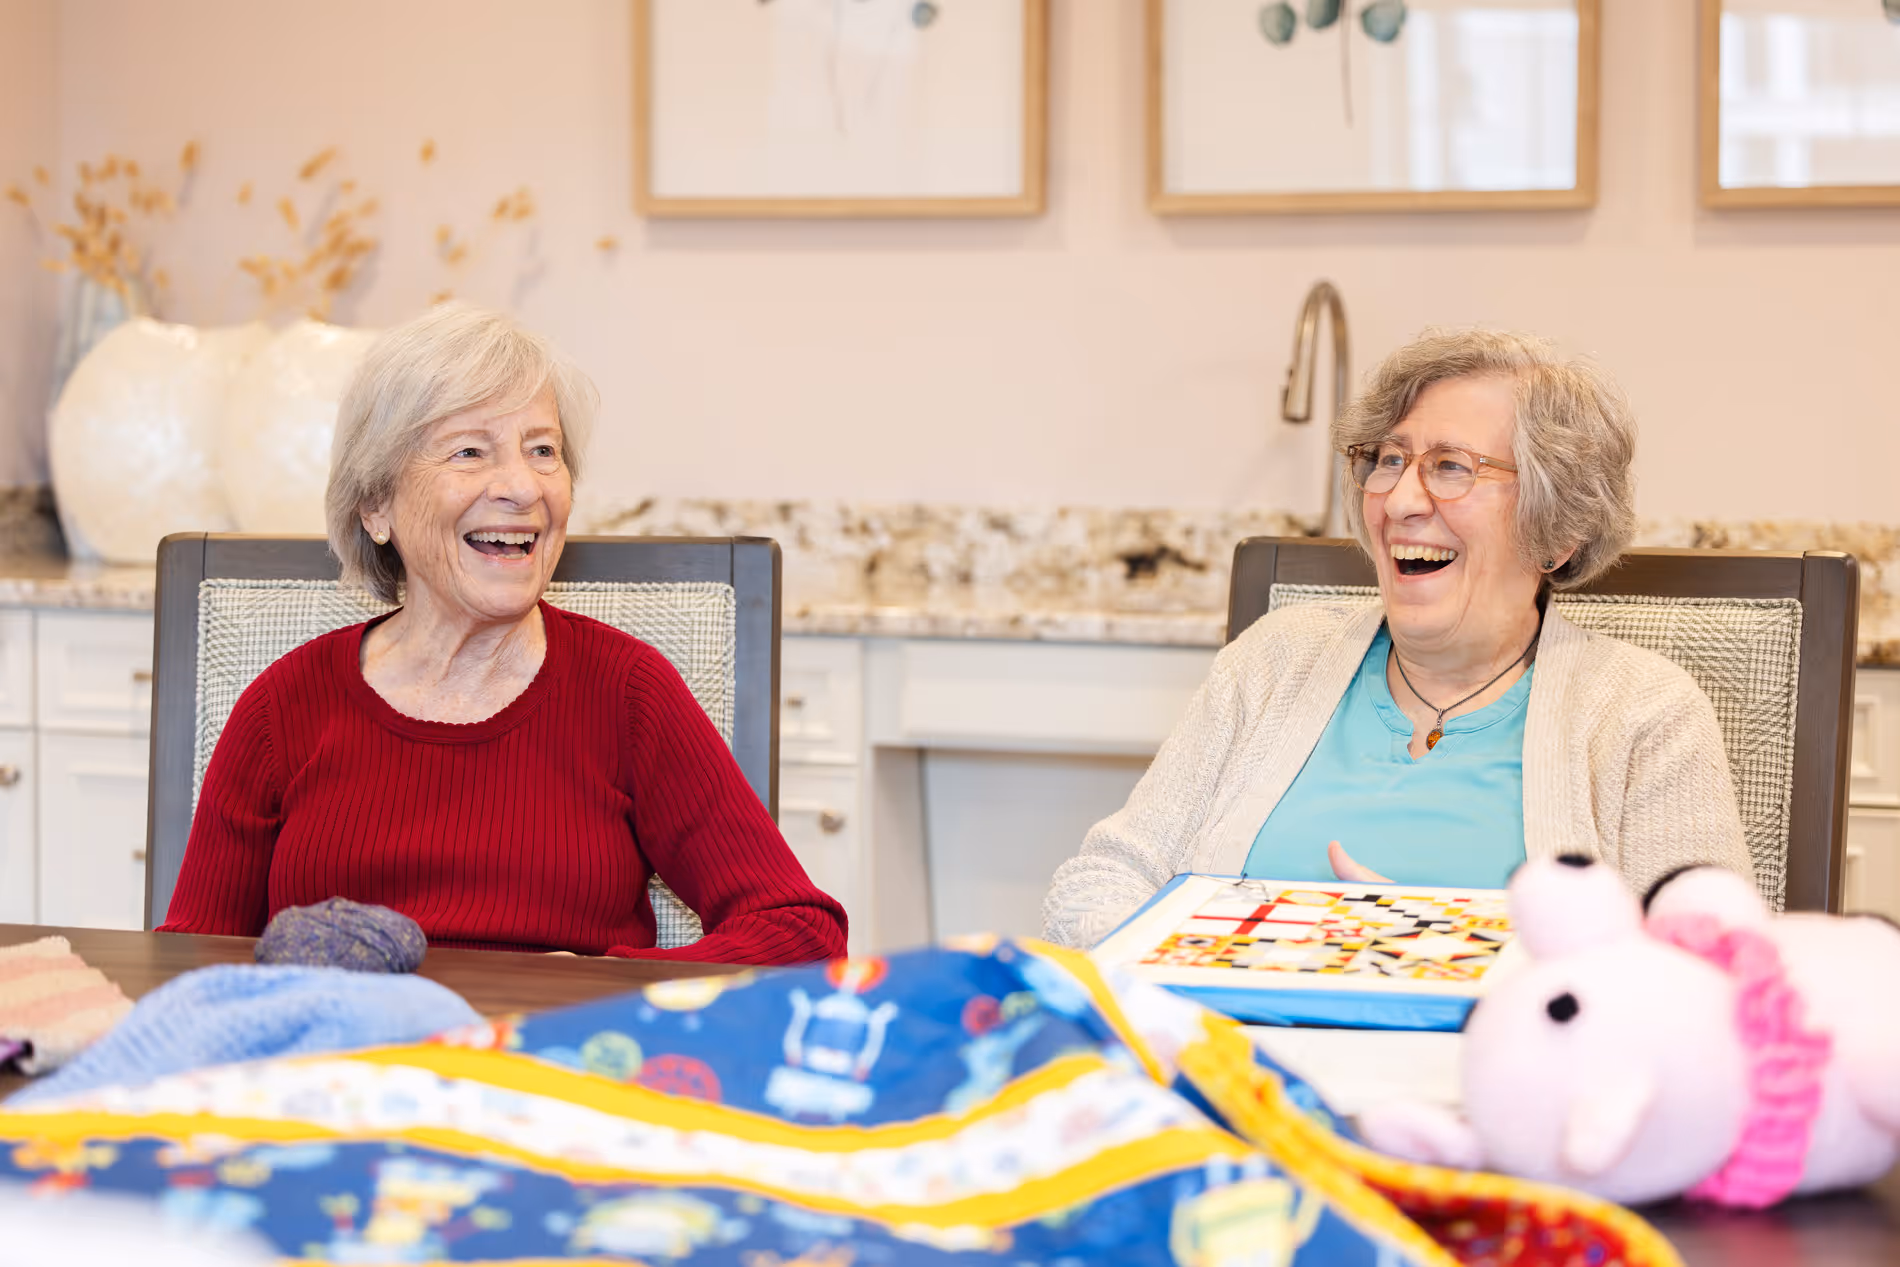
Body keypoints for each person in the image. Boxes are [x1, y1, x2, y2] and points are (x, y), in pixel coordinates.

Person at [160, 304, 846, 964]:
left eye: (542, 450)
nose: (521, 486)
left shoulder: (627, 693)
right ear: (376, 506)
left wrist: (616, 985)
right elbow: (190, 963)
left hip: (549, 1065)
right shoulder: (284, 707)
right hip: (348, 1066)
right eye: (469, 451)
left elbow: (799, 930)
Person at [1043, 329, 1753, 949]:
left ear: (1559, 529)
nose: (1402, 501)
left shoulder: (1644, 711)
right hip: (1230, 1066)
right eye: (1388, 460)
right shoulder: (1276, 657)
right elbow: (1103, 879)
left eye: (1451, 467)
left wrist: (1428, 943)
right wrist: (1206, 975)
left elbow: (1705, 970)